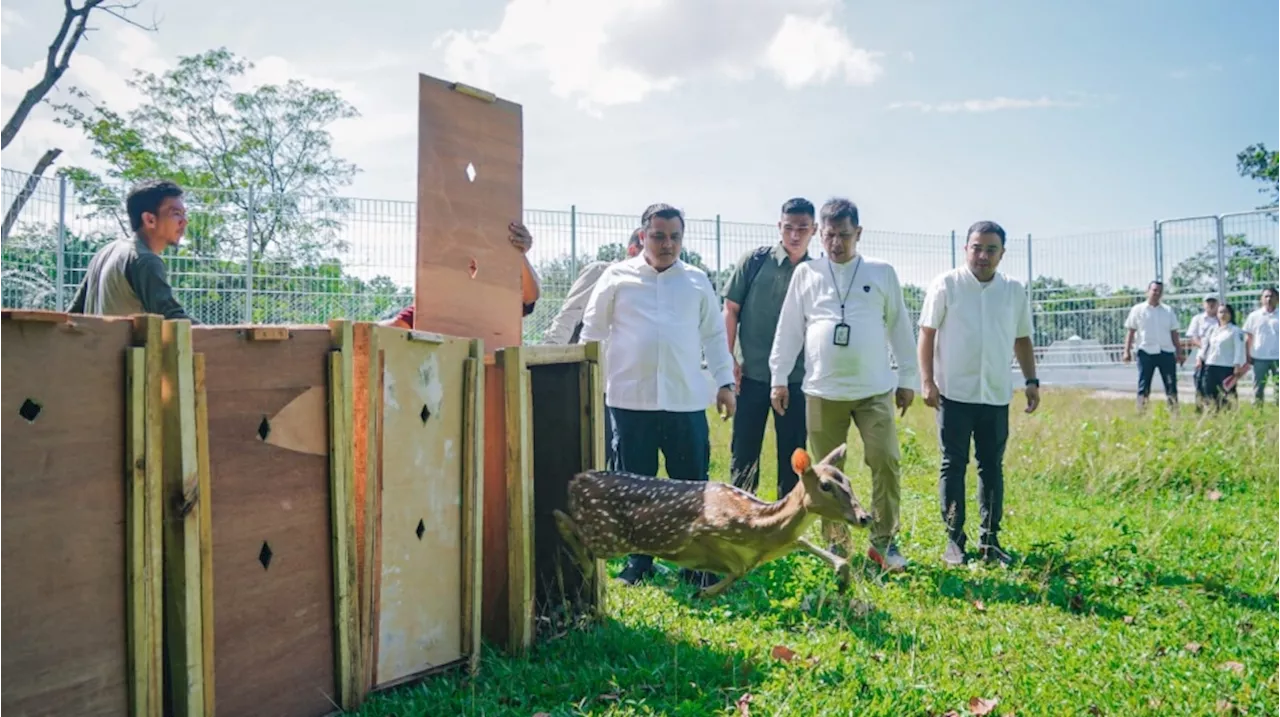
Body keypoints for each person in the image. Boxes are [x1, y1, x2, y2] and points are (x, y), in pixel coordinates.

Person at [577, 202, 737, 587]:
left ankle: (693, 562)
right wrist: (586, 382)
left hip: (684, 400)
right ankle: (638, 563)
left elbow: (715, 337)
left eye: (675, 237)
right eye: (659, 236)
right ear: (642, 236)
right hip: (631, 402)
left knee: (691, 487)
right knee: (635, 489)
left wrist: (725, 383)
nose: (668, 244)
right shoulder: (616, 277)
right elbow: (592, 334)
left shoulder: (697, 280)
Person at [768, 197, 918, 573]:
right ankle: (838, 545)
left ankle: (884, 542)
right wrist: (778, 378)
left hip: (874, 390)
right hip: (822, 391)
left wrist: (908, 378)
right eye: (830, 235)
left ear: (859, 233)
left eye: (845, 235)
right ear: (821, 233)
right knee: (824, 477)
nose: (836, 243)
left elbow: (900, 327)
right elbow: (789, 329)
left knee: (885, 459)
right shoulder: (807, 274)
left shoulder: (882, 273)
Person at [917, 221, 1039, 568]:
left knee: (991, 467)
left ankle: (990, 541)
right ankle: (954, 542)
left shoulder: (1013, 290)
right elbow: (927, 333)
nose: (982, 255)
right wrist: (928, 381)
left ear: (1002, 253)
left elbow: (1022, 338)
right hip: (954, 393)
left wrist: (1032, 380)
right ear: (965, 248)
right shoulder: (947, 285)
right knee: (953, 465)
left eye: (990, 249)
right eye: (976, 247)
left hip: (995, 394)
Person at [721, 197, 814, 499]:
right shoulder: (754, 262)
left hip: (798, 379)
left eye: (803, 228)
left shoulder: (819, 272)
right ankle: (742, 519)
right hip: (752, 375)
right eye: (789, 228)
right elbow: (731, 309)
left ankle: (787, 521)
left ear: (814, 229)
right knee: (744, 451)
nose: (795, 235)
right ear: (779, 227)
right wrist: (729, 359)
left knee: (794, 453)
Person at [544, 227, 645, 469]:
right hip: (588, 382)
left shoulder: (649, 287)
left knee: (615, 460)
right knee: (588, 457)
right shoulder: (601, 271)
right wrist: (545, 361)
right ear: (632, 250)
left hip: (625, 388)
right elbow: (568, 316)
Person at [68, 179, 194, 321]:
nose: (184, 221)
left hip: (95, 343)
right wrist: (221, 337)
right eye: (176, 213)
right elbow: (174, 320)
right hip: (122, 344)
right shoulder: (144, 259)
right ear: (149, 219)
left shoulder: (106, 252)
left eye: (184, 213)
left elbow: (73, 315)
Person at [381, 222, 541, 329]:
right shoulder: (437, 306)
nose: (473, 265)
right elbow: (397, 327)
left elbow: (530, 296)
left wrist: (517, 254)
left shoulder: (499, 298)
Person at [1122, 280, 1184, 412]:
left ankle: (1174, 412)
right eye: (1154, 290)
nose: (1157, 293)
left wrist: (1179, 352)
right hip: (1145, 352)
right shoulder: (1137, 309)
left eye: (1160, 291)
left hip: (1166, 352)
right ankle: (1141, 412)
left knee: (1170, 384)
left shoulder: (1168, 310)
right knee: (1144, 385)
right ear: (1148, 291)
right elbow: (1131, 331)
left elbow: (1174, 332)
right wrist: (1126, 351)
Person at [1197, 303, 1249, 411]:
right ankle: (1213, 413)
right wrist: (1200, 358)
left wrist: (1237, 365)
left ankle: (1229, 414)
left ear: (1231, 314)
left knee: (1227, 393)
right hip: (1211, 365)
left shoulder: (1235, 331)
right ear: (1216, 314)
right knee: (1209, 390)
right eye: (1220, 312)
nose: (1223, 314)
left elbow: (1239, 349)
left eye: (1226, 312)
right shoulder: (1212, 329)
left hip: (1226, 366)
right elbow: (1205, 345)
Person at [1243, 286, 1280, 407]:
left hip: (1278, 358)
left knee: (1278, 389)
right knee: (1258, 388)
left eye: (1272, 296)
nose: (1269, 299)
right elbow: (1249, 337)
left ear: (1277, 299)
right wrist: (1247, 355)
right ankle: (1257, 413)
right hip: (1259, 357)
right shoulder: (1254, 316)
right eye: (1266, 296)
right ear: (1261, 299)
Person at [1185, 294, 1220, 411]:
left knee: (1216, 384)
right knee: (1200, 383)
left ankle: (1216, 408)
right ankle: (1199, 409)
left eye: (1213, 302)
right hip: (1202, 357)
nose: (1211, 304)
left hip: (1218, 357)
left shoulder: (1221, 318)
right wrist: (1204, 347)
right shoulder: (1198, 319)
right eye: (1208, 302)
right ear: (1204, 304)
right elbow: (1193, 337)